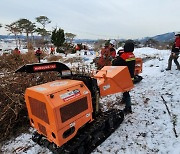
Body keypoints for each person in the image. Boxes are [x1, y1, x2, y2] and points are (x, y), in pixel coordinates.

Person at [112, 40, 136, 114]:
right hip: (130, 76)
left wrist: (117, 58)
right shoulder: (132, 55)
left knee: (126, 92)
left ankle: (128, 108)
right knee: (125, 90)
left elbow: (115, 63)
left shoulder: (124, 56)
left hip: (125, 77)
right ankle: (124, 100)